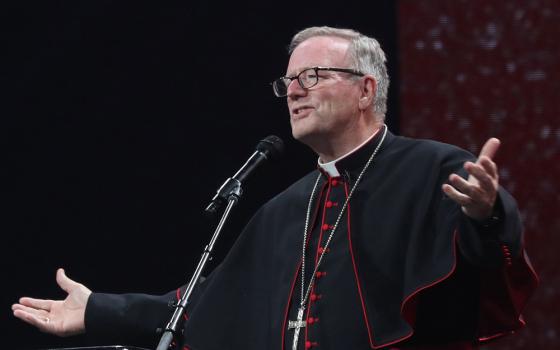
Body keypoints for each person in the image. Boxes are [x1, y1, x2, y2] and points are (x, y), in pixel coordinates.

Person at [12, 26, 538, 350]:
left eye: (312, 76)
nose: (293, 91)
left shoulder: (435, 168)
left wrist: (487, 215)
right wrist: (99, 310)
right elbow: (198, 310)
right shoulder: (285, 209)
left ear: (365, 89)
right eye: (288, 81)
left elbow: (484, 264)